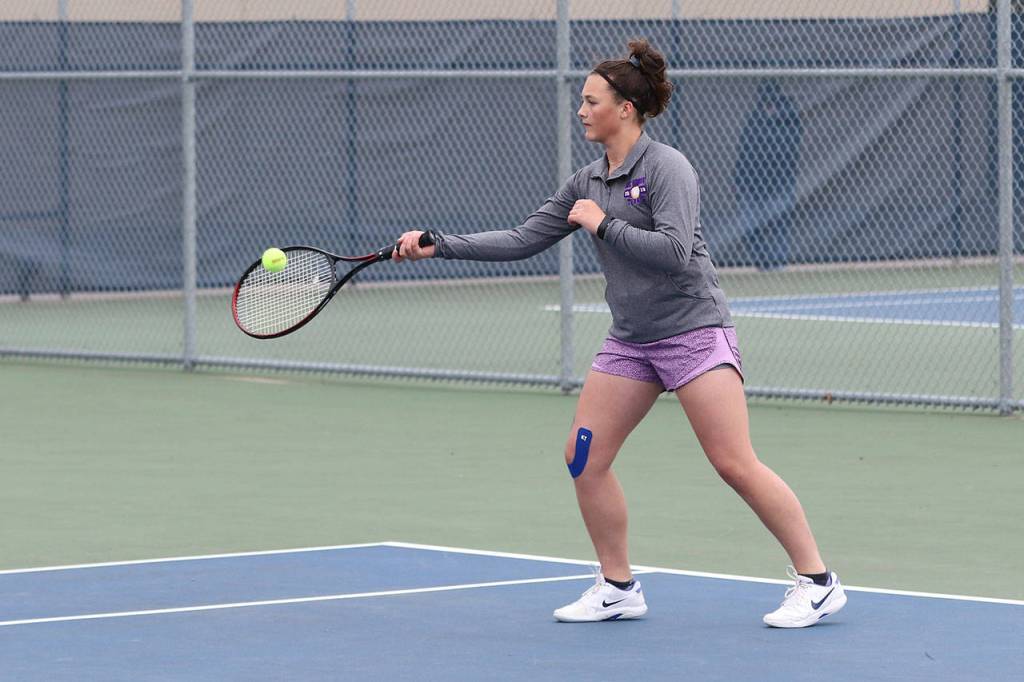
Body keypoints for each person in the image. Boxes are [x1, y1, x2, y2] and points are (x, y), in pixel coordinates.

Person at [393, 39, 845, 628]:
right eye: (581, 101)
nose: (581, 111)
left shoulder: (667, 168)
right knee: (583, 456)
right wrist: (440, 245)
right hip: (632, 338)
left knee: (733, 462)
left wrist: (603, 224)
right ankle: (617, 586)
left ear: (625, 109)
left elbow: (676, 252)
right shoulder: (586, 180)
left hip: (692, 330)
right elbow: (524, 238)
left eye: (591, 101)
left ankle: (818, 582)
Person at [734, 79, 802, 271]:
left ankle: (778, 264)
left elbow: (790, 150)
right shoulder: (754, 120)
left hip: (780, 182)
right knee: (749, 224)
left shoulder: (788, 121)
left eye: (773, 102)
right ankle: (762, 262)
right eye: (766, 102)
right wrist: (739, 180)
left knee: (779, 224)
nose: (769, 107)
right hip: (751, 183)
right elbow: (744, 151)